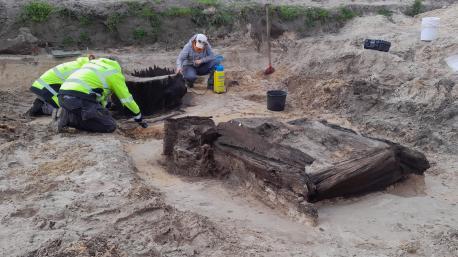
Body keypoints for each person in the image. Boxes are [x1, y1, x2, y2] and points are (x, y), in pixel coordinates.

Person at [56, 57, 143, 133]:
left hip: (62, 95)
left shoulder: (93, 65)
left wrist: (104, 109)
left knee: (101, 114)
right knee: (110, 125)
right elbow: (127, 99)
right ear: (119, 68)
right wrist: (137, 115)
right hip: (78, 98)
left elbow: (100, 97)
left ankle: (67, 114)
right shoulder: (114, 74)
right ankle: (69, 120)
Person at [27, 55, 95, 116]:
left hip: (43, 86)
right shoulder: (81, 70)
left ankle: (42, 102)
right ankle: (40, 108)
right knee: (65, 108)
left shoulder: (78, 64)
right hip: (46, 88)